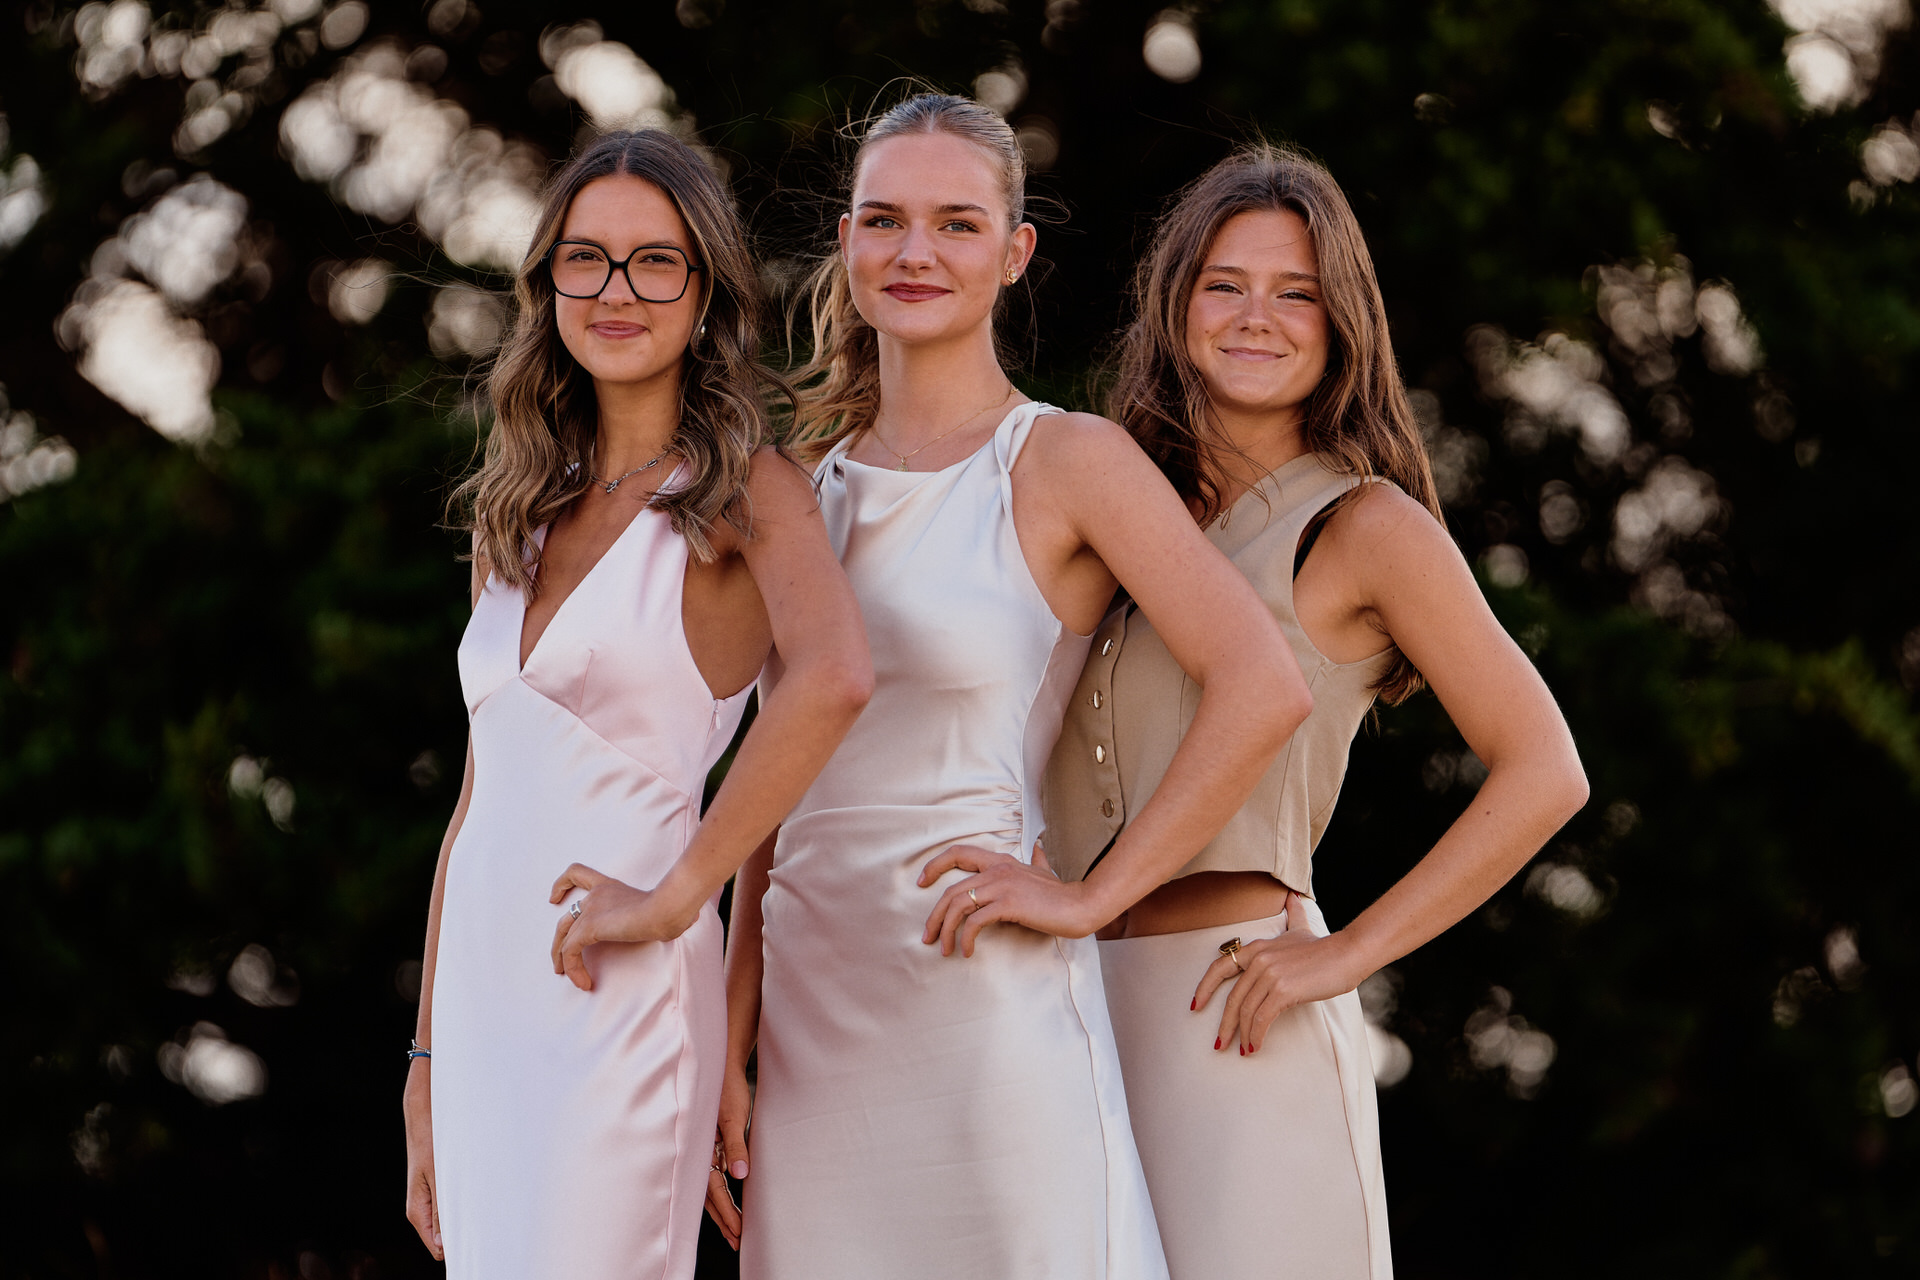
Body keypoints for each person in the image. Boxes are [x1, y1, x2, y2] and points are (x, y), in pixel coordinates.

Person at [702, 95, 1313, 1279]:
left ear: (1013, 250)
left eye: (955, 224)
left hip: (984, 1010)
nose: (914, 253)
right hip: (814, 1032)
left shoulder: (1064, 459)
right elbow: (771, 773)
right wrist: (730, 1024)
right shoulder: (796, 488)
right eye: (883, 220)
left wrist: (1091, 894)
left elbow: (1262, 682)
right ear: (845, 241)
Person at [1041, 144, 1592, 1279]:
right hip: (1066, 1009)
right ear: (1176, 300)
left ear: (1341, 321)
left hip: (1236, 1007)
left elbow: (1546, 767)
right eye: (1225, 285)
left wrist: (1344, 954)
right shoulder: (1109, 500)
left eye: (1296, 292)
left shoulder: (1370, 526)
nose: (1258, 317)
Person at [400, 129, 872, 1280]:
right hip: (482, 1009)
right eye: (586, 258)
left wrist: (677, 898)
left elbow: (835, 675)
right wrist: (422, 1055)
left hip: (621, 987)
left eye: (655, 262)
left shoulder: (745, 491)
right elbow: (475, 808)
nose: (616, 291)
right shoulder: (514, 515)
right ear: (546, 282)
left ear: (705, 290)